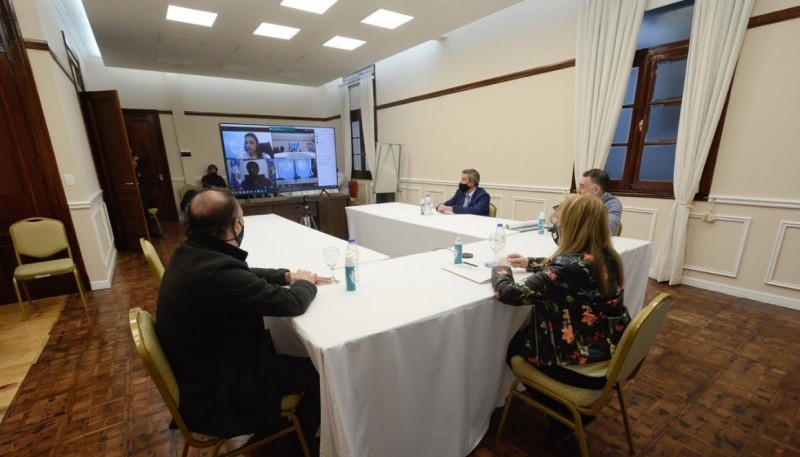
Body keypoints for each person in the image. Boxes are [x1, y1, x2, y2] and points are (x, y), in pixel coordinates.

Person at [155, 187, 330, 451]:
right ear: (236, 225)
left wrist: (285, 276)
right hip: (220, 393)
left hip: (199, 376)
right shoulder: (218, 273)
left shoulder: (189, 254)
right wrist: (305, 283)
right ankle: (288, 447)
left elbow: (242, 275)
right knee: (322, 373)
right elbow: (291, 303)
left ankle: (280, 434)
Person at [491, 194, 630, 448]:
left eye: (561, 221)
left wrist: (502, 268)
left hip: (582, 364)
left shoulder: (567, 266)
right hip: (609, 352)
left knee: (514, 347)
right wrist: (531, 262)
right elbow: (560, 274)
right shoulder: (607, 257)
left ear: (573, 226)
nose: (557, 226)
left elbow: (507, 293)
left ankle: (563, 416)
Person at [578, 168, 622, 235]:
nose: (578, 190)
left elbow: (608, 231)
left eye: (582, 187)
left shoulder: (613, 204)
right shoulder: (580, 201)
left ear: (596, 190)